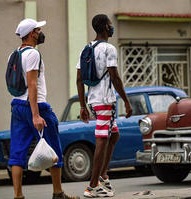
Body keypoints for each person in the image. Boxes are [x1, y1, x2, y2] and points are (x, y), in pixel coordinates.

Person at [8, 18, 80, 199]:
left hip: (17, 106)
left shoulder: (13, 54)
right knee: (54, 149)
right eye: (38, 30)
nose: (41, 33)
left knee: (17, 152)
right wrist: (36, 115)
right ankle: (58, 193)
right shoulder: (33, 54)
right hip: (36, 106)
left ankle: (18, 195)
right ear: (32, 33)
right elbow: (32, 84)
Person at [76, 14, 132, 198]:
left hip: (93, 101)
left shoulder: (85, 49)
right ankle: (93, 186)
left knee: (113, 135)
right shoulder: (109, 49)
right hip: (106, 100)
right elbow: (114, 77)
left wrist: (83, 106)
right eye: (110, 24)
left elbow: (79, 80)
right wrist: (126, 100)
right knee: (102, 139)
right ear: (105, 27)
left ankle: (103, 176)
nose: (111, 27)